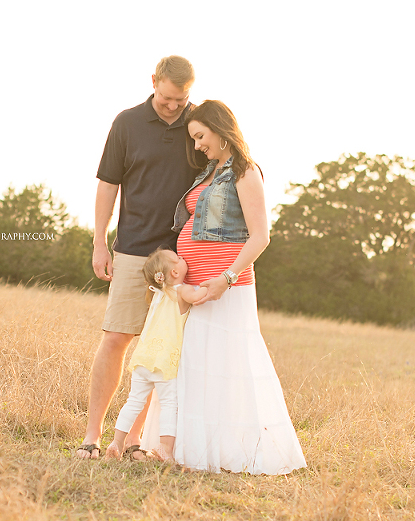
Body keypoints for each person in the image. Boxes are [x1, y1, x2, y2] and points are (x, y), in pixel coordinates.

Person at [144, 99, 307, 474]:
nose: (197, 144)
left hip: (227, 286)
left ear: (219, 129)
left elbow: (260, 236)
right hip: (199, 286)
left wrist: (226, 278)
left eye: (200, 136)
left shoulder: (245, 172)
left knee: (229, 368)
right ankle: (187, 450)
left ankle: (236, 452)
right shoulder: (207, 173)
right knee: (195, 366)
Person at [76, 56, 204, 459]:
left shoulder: (200, 122)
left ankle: (134, 441)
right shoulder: (127, 123)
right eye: (167, 98)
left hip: (181, 255)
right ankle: (92, 436)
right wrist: (100, 241)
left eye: (180, 100)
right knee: (117, 337)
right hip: (132, 249)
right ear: (154, 83)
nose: (173, 106)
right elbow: (108, 184)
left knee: (160, 345)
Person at [105, 248, 208, 462]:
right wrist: (211, 281)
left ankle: (116, 441)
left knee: (133, 401)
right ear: (174, 273)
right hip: (164, 361)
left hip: (143, 357)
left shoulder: (158, 294)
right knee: (170, 403)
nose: (183, 258)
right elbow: (199, 297)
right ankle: (165, 448)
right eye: (178, 259)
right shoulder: (182, 291)